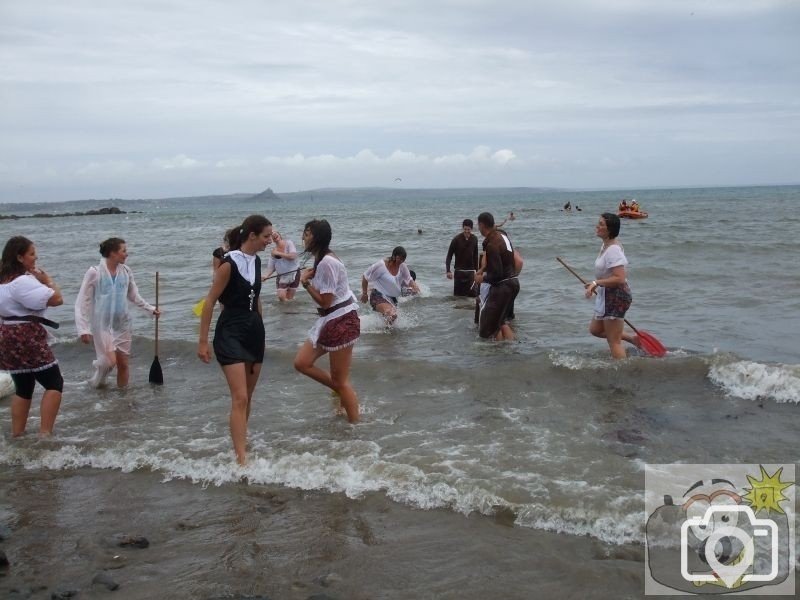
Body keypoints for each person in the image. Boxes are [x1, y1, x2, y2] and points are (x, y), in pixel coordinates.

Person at [198, 215, 273, 465]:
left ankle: (242, 441)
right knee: (239, 397)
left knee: (248, 397)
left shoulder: (259, 261)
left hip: (254, 331)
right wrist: (202, 342)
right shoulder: (228, 264)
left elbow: (258, 298)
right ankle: (241, 459)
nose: (269, 241)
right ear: (251, 235)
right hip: (230, 331)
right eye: (266, 237)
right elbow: (209, 301)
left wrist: (261, 328)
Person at [294, 219, 360, 423]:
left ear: (316, 237)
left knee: (340, 382)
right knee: (302, 363)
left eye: (306, 233)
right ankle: (343, 396)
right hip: (332, 318)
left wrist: (305, 284)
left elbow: (325, 301)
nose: (303, 237)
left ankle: (356, 426)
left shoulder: (326, 262)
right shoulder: (321, 259)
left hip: (341, 319)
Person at [75, 238, 161, 388]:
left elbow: (133, 295)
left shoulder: (126, 271)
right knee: (109, 362)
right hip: (102, 325)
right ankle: (96, 383)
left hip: (122, 324)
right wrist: (83, 328)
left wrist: (151, 309)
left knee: (123, 365)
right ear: (113, 253)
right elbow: (83, 301)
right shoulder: (94, 272)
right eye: (123, 251)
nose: (126, 254)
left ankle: (122, 397)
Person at [0, 236, 64, 436]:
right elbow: (56, 299)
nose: (35, 258)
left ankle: (17, 434)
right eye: (32, 254)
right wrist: (47, 281)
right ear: (20, 257)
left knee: (23, 387)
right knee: (54, 382)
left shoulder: (3, 281)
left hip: (6, 334)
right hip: (25, 335)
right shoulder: (22, 282)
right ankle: (45, 434)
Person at [584, 213, 639, 359]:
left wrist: (597, 283)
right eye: (598, 223)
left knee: (613, 341)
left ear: (610, 230)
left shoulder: (613, 249)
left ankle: (622, 372)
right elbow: (608, 274)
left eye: (601, 224)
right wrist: (596, 284)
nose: (597, 226)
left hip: (616, 296)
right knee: (595, 330)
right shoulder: (606, 245)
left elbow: (620, 278)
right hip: (607, 294)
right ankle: (633, 339)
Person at [474, 213, 519, 341]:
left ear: (482, 225)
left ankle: (497, 354)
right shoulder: (502, 236)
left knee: (487, 329)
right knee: (500, 323)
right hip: (513, 282)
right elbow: (504, 262)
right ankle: (507, 350)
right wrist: (484, 269)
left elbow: (497, 274)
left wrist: (481, 278)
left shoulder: (492, 244)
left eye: (478, 225)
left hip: (503, 287)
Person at [360, 246, 419, 324]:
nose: (401, 261)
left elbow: (409, 279)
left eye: (403, 260)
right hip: (378, 296)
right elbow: (365, 276)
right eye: (399, 259)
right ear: (394, 256)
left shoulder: (402, 266)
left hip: (392, 299)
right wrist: (364, 294)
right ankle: (385, 333)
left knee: (392, 320)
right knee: (391, 314)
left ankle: (384, 333)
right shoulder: (381, 265)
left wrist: (415, 287)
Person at [262, 230, 300, 301]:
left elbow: (292, 256)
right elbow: (271, 268)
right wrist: (265, 276)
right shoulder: (273, 252)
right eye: (271, 235)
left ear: (279, 234)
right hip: (282, 276)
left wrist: (278, 253)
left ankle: (289, 311)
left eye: (275, 233)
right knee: (281, 297)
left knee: (290, 298)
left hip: (294, 273)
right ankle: (286, 309)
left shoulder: (289, 243)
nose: (273, 235)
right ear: (271, 239)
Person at [445, 219, 479, 297]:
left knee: (472, 296)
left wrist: (477, 272)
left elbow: (475, 256)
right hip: (459, 272)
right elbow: (449, 255)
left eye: (469, 229)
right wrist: (448, 271)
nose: (467, 231)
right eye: (465, 229)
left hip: (470, 273)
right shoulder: (456, 239)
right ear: (462, 228)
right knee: (458, 297)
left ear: (472, 229)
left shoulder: (474, 239)